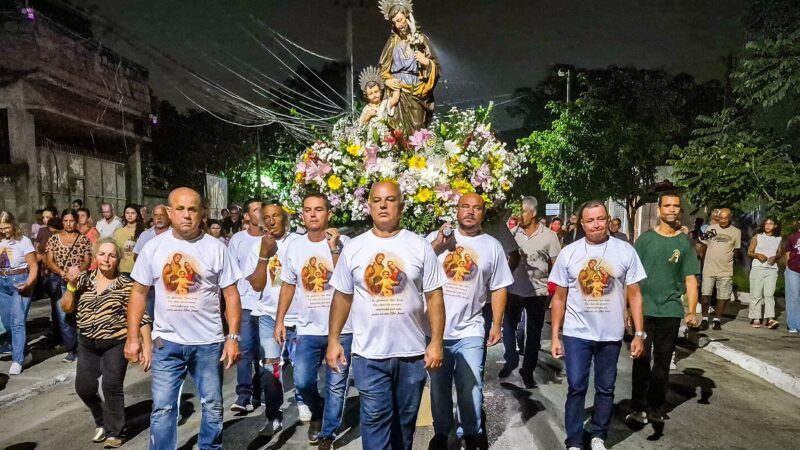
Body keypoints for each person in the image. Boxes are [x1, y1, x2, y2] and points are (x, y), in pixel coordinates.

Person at [326, 180, 447, 450]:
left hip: (411, 354)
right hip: (369, 355)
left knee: (404, 425)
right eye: (377, 200)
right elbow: (342, 296)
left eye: (390, 200)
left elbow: (434, 297)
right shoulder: (354, 248)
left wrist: (436, 342)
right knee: (375, 420)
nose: (383, 205)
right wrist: (333, 339)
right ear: (369, 207)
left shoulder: (419, 246)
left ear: (400, 207)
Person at [125, 187, 242, 450]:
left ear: (202, 213)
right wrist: (133, 338)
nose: (186, 215)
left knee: (212, 404)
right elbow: (138, 293)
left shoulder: (216, 248)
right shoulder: (153, 247)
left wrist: (233, 337)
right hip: (166, 343)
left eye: (192, 209)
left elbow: (231, 295)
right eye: (180, 209)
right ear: (169, 212)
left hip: (208, 343)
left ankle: (209, 446)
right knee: (163, 408)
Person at [549, 200, 646, 450]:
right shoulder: (569, 253)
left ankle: (598, 435)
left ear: (608, 220)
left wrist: (638, 333)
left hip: (610, 335)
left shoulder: (625, 251)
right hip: (576, 333)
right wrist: (556, 335)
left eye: (601, 219)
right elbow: (559, 298)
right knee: (576, 386)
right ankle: (574, 440)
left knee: (606, 388)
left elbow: (635, 294)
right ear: (582, 224)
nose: (596, 225)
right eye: (590, 220)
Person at [426, 193, 513, 450]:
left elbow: (499, 287)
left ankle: (471, 431)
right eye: (465, 206)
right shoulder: (435, 239)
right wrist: (437, 246)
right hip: (436, 331)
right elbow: (416, 269)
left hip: (471, 327)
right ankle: (442, 432)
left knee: (470, 385)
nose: (470, 212)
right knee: (439, 387)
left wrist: (496, 324)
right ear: (457, 210)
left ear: (483, 213)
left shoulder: (492, 246)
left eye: (476, 208)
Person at [273, 193, 351, 448]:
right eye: (308, 210)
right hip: (307, 328)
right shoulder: (295, 246)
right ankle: (318, 410)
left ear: (329, 213)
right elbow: (288, 284)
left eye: (318, 209)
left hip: (341, 329)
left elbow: (346, 279)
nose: (313, 214)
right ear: (302, 215)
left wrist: (334, 248)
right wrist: (280, 320)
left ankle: (327, 432)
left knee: (336, 384)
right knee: (302, 381)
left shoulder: (344, 243)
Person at [61, 238, 153, 448]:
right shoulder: (83, 280)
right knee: (84, 387)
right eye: (102, 254)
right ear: (95, 257)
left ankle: (115, 432)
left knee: (111, 386)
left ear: (118, 259)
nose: (106, 259)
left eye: (112, 255)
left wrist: (147, 346)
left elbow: (142, 317)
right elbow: (66, 307)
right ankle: (101, 419)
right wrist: (71, 286)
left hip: (115, 343)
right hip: (87, 343)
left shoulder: (127, 285)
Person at [625, 193, 700, 427]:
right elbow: (631, 277)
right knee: (641, 360)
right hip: (644, 311)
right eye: (667, 205)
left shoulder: (683, 243)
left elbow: (690, 279)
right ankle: (638, 407)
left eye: (676, 206)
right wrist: (627, 308)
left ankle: (656, 406)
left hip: (670, 311)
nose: (672, 209)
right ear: (658, 210)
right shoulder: (645, 241)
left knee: (662, 363)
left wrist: (692, 310)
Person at [245, 202, 307, 433]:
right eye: (267, 217)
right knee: (270, 369)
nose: (272, 221)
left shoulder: (298, 242)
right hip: (268, 316)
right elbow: (257, 284)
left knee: (303, 367)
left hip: (299, 316)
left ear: (285, 219)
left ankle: (304, 401)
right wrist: (264, 255)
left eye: (277, 216)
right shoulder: (257, 246)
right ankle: (273, 416)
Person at [502, 196, 561, 388]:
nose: (520, 215)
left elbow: (556, 265)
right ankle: (510, 359)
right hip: (514, 290)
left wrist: (555, 291)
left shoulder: (549, 236)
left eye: (523, 211)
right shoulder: (513, 234)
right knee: (508, 329)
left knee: (534, 334)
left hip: (538, 293)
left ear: (533, 213)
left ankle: (527, 371)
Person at [378, 0, 440, 134]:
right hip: (397, 90)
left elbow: (436, 67)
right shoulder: (393, 42)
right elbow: (382, 68)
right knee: (397, 129)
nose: (398, 25)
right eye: (395, 22)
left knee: (417, 128)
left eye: (400, 20)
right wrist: (387, 80)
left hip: (416, 89)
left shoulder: (421, 40)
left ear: (408, 16)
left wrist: (427, 62)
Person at [227, 198, 264, 413]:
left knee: (265, 351)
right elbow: (230, 275)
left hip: (268, 304)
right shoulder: (238, 240)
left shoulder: (273, 239)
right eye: (256, 209)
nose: (261, 213)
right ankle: (244, 395)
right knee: (246, 348)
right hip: (245, 303)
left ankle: (261, 391)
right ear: (247, 216)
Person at [45, 209, 92, 362]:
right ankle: (72, 348)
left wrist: (77, 271)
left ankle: (85, 346)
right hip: (60, 281)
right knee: (63, 315)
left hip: (79, 281)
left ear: (76, 221)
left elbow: (87, 260)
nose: (68, 224)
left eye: (71, 220)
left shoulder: (83, 239)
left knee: (81, 313)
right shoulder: (54, 239)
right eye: (65, 221)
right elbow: (49, 261)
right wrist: (62, 272)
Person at [0, 211, 38, 375]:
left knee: (17, 322)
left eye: (7, 227)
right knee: (7, 324)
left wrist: (28, 283)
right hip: (2, 283)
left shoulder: (24, 241)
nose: (4, 231)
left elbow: (34, 266)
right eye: (1, 228)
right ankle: (25, 352)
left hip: (19, 281)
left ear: (13, 224)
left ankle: (17, 360)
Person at [699, 207, 741, 330]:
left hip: (725, 269)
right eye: (721, 218)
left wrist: (730, 261)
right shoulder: (711, 229)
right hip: (709, 268)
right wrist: (703, 261)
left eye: (725, 218)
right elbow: (703, 245)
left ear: (730, 218)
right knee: (705, 295)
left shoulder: (736, 232)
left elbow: (736, 249)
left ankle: (717, 319)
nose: (723, 221)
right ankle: (705, 319)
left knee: (722, 296)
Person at [133, 205, 171, 319]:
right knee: (148, 317)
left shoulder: (175, 235)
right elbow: (137, 256)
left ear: (168, 217)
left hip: (168, 287)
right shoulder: (145, 235)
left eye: (162, 215)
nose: (159, 218)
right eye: (156, 215)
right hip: (149, 286)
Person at [747, 217, 782, 329]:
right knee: (756, 294)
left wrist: (775, 257)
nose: (767, 225)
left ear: (775, 226)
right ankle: (756, 318)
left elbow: (780, 253)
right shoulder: (757, 237)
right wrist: (757, 255)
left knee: (769, 295)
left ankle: (770, 319)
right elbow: (749, 252)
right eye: (766, 223)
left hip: (772, 269)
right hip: (758, 268)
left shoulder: (778, 239)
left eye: (770, 223)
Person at [112, 204, 145, 274]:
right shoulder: (118, 232)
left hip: (138, 271)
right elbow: (115, 253)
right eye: (127, 213)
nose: (130, 215)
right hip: (122, 270)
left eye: (133, 213)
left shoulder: (144, 232)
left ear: (137, 215)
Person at [782, 220, 800, 333]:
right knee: (793, 297)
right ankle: (793, 324)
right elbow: (787, 253)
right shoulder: (792, 237)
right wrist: (787, 267)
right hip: (793, 270)